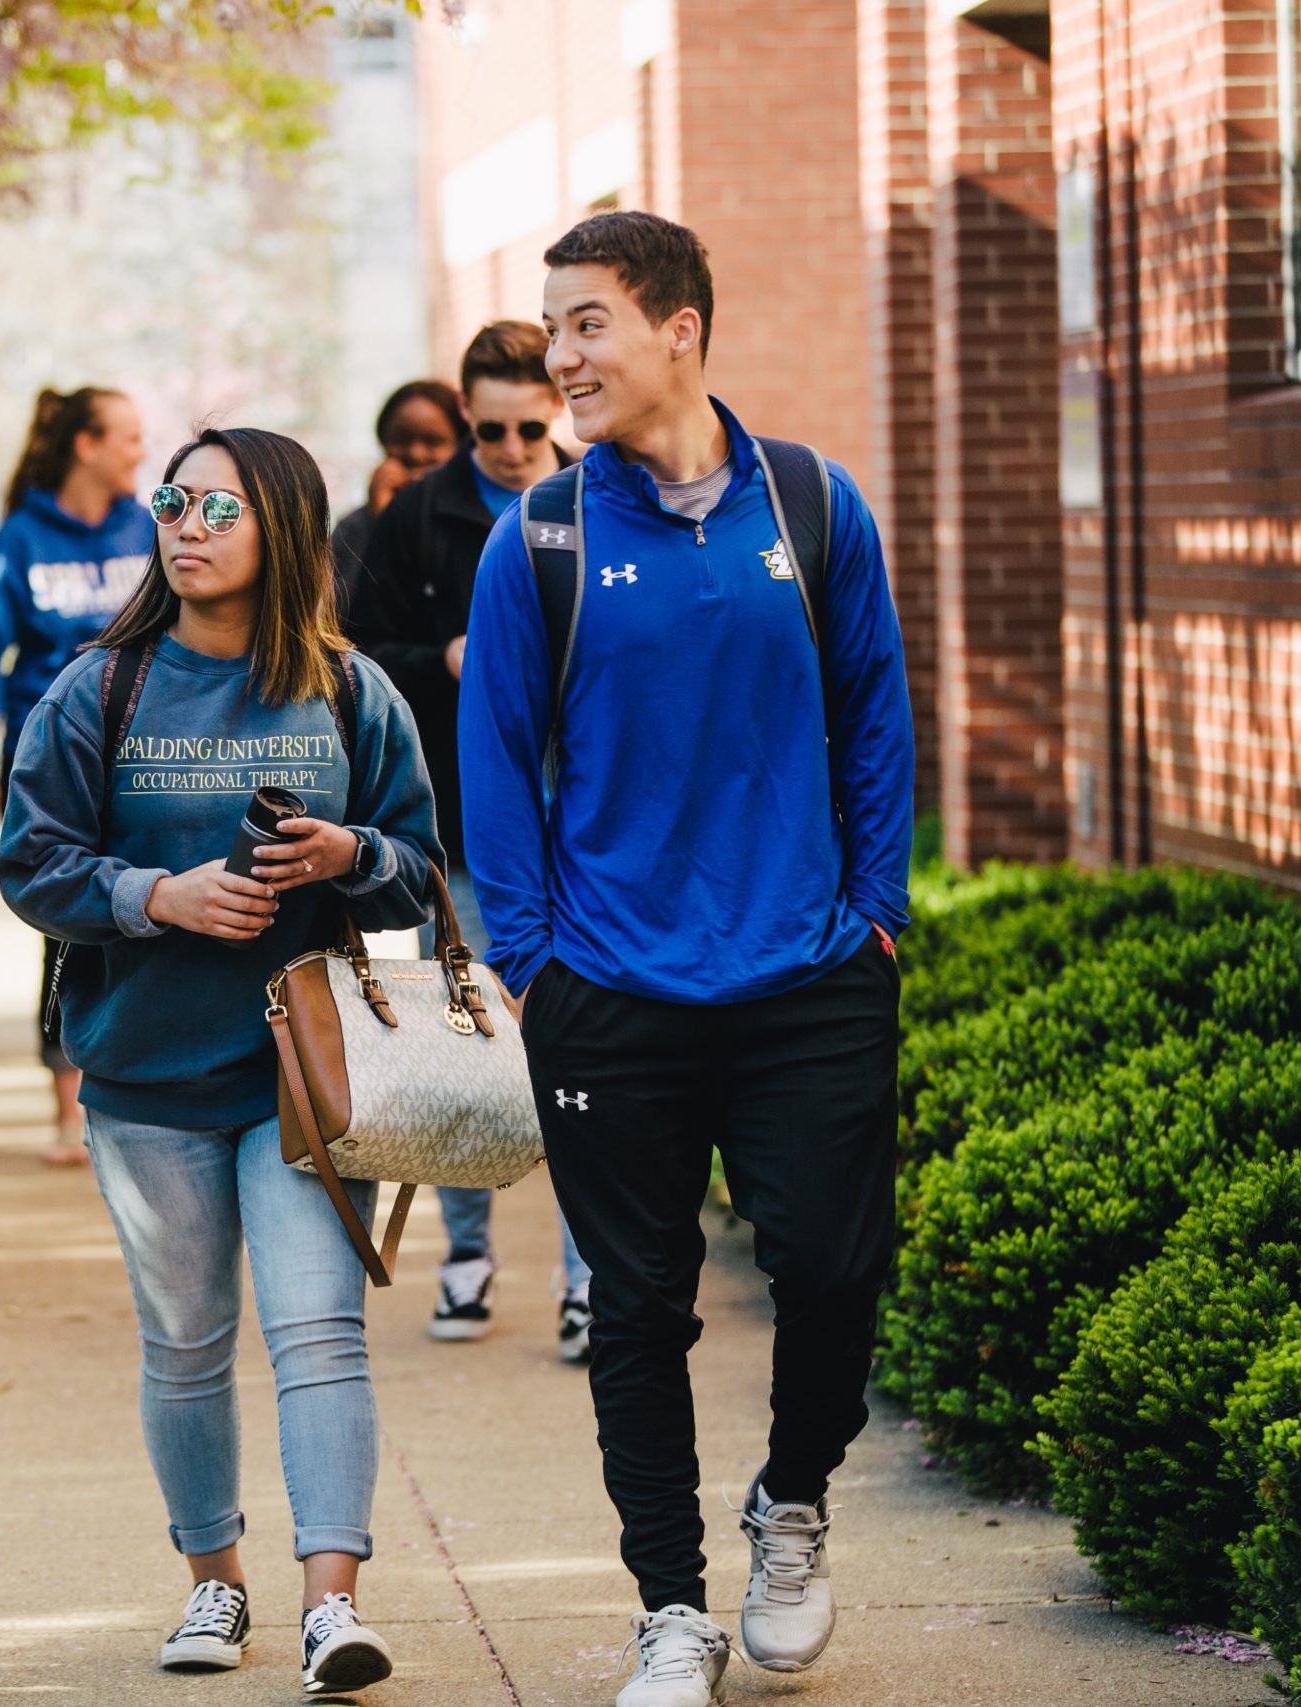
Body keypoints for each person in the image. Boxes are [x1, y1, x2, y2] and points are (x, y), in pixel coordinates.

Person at [457, 211, 914, 1707]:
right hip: (611, 991)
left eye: (586, 323)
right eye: (551, 326)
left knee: (838, 1264)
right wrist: (532, 963)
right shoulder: (541, 536)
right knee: (639, 1308)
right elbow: (497, 758)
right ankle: (671, 1604)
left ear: (679, 330)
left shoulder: (815, 504)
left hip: (805, 976)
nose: (559, 354)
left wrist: (879, 914)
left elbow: (874, 714)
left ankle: (792, 1501)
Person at [0, 426, 442, 1698]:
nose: (186, 526)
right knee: (186, 1339)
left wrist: (347, 856)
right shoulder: (99, 690)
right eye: (173, 503)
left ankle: (329, 1606)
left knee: (320, 1331)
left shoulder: (350, 691)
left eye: (218, 508)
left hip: (303, 1079)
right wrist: (156, 897)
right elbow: (33, 866)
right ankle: (215, 1581)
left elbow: (422, 862)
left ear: (282, 530)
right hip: (144, 1076)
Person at [346, 322, 587, 1352]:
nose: (510, 446)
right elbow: (356, 660)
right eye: (487, 427)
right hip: (455, 832)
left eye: (530, 426)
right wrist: (441, 654)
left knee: (584, 1056)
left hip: (586, 833)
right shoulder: (417, 519)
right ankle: (467, 1260)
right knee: (466, 1055)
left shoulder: (597, 498)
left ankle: (589, 1280)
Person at [0, 386, 155, 1165]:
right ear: (88, 445)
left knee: (149, 907)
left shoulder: (148, 528)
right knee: (66, 924)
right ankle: (67, 1111)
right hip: (52, 760)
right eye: (129, 437)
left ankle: (142, 1086)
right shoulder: (20, 539)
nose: (142, 451)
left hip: (142, 754)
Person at [327, 378, 466, 606]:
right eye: (401, 439)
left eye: (433, 442)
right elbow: (342, 614)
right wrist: (381, 523)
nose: (415, 454)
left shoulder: (469, 518)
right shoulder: (353, 527)